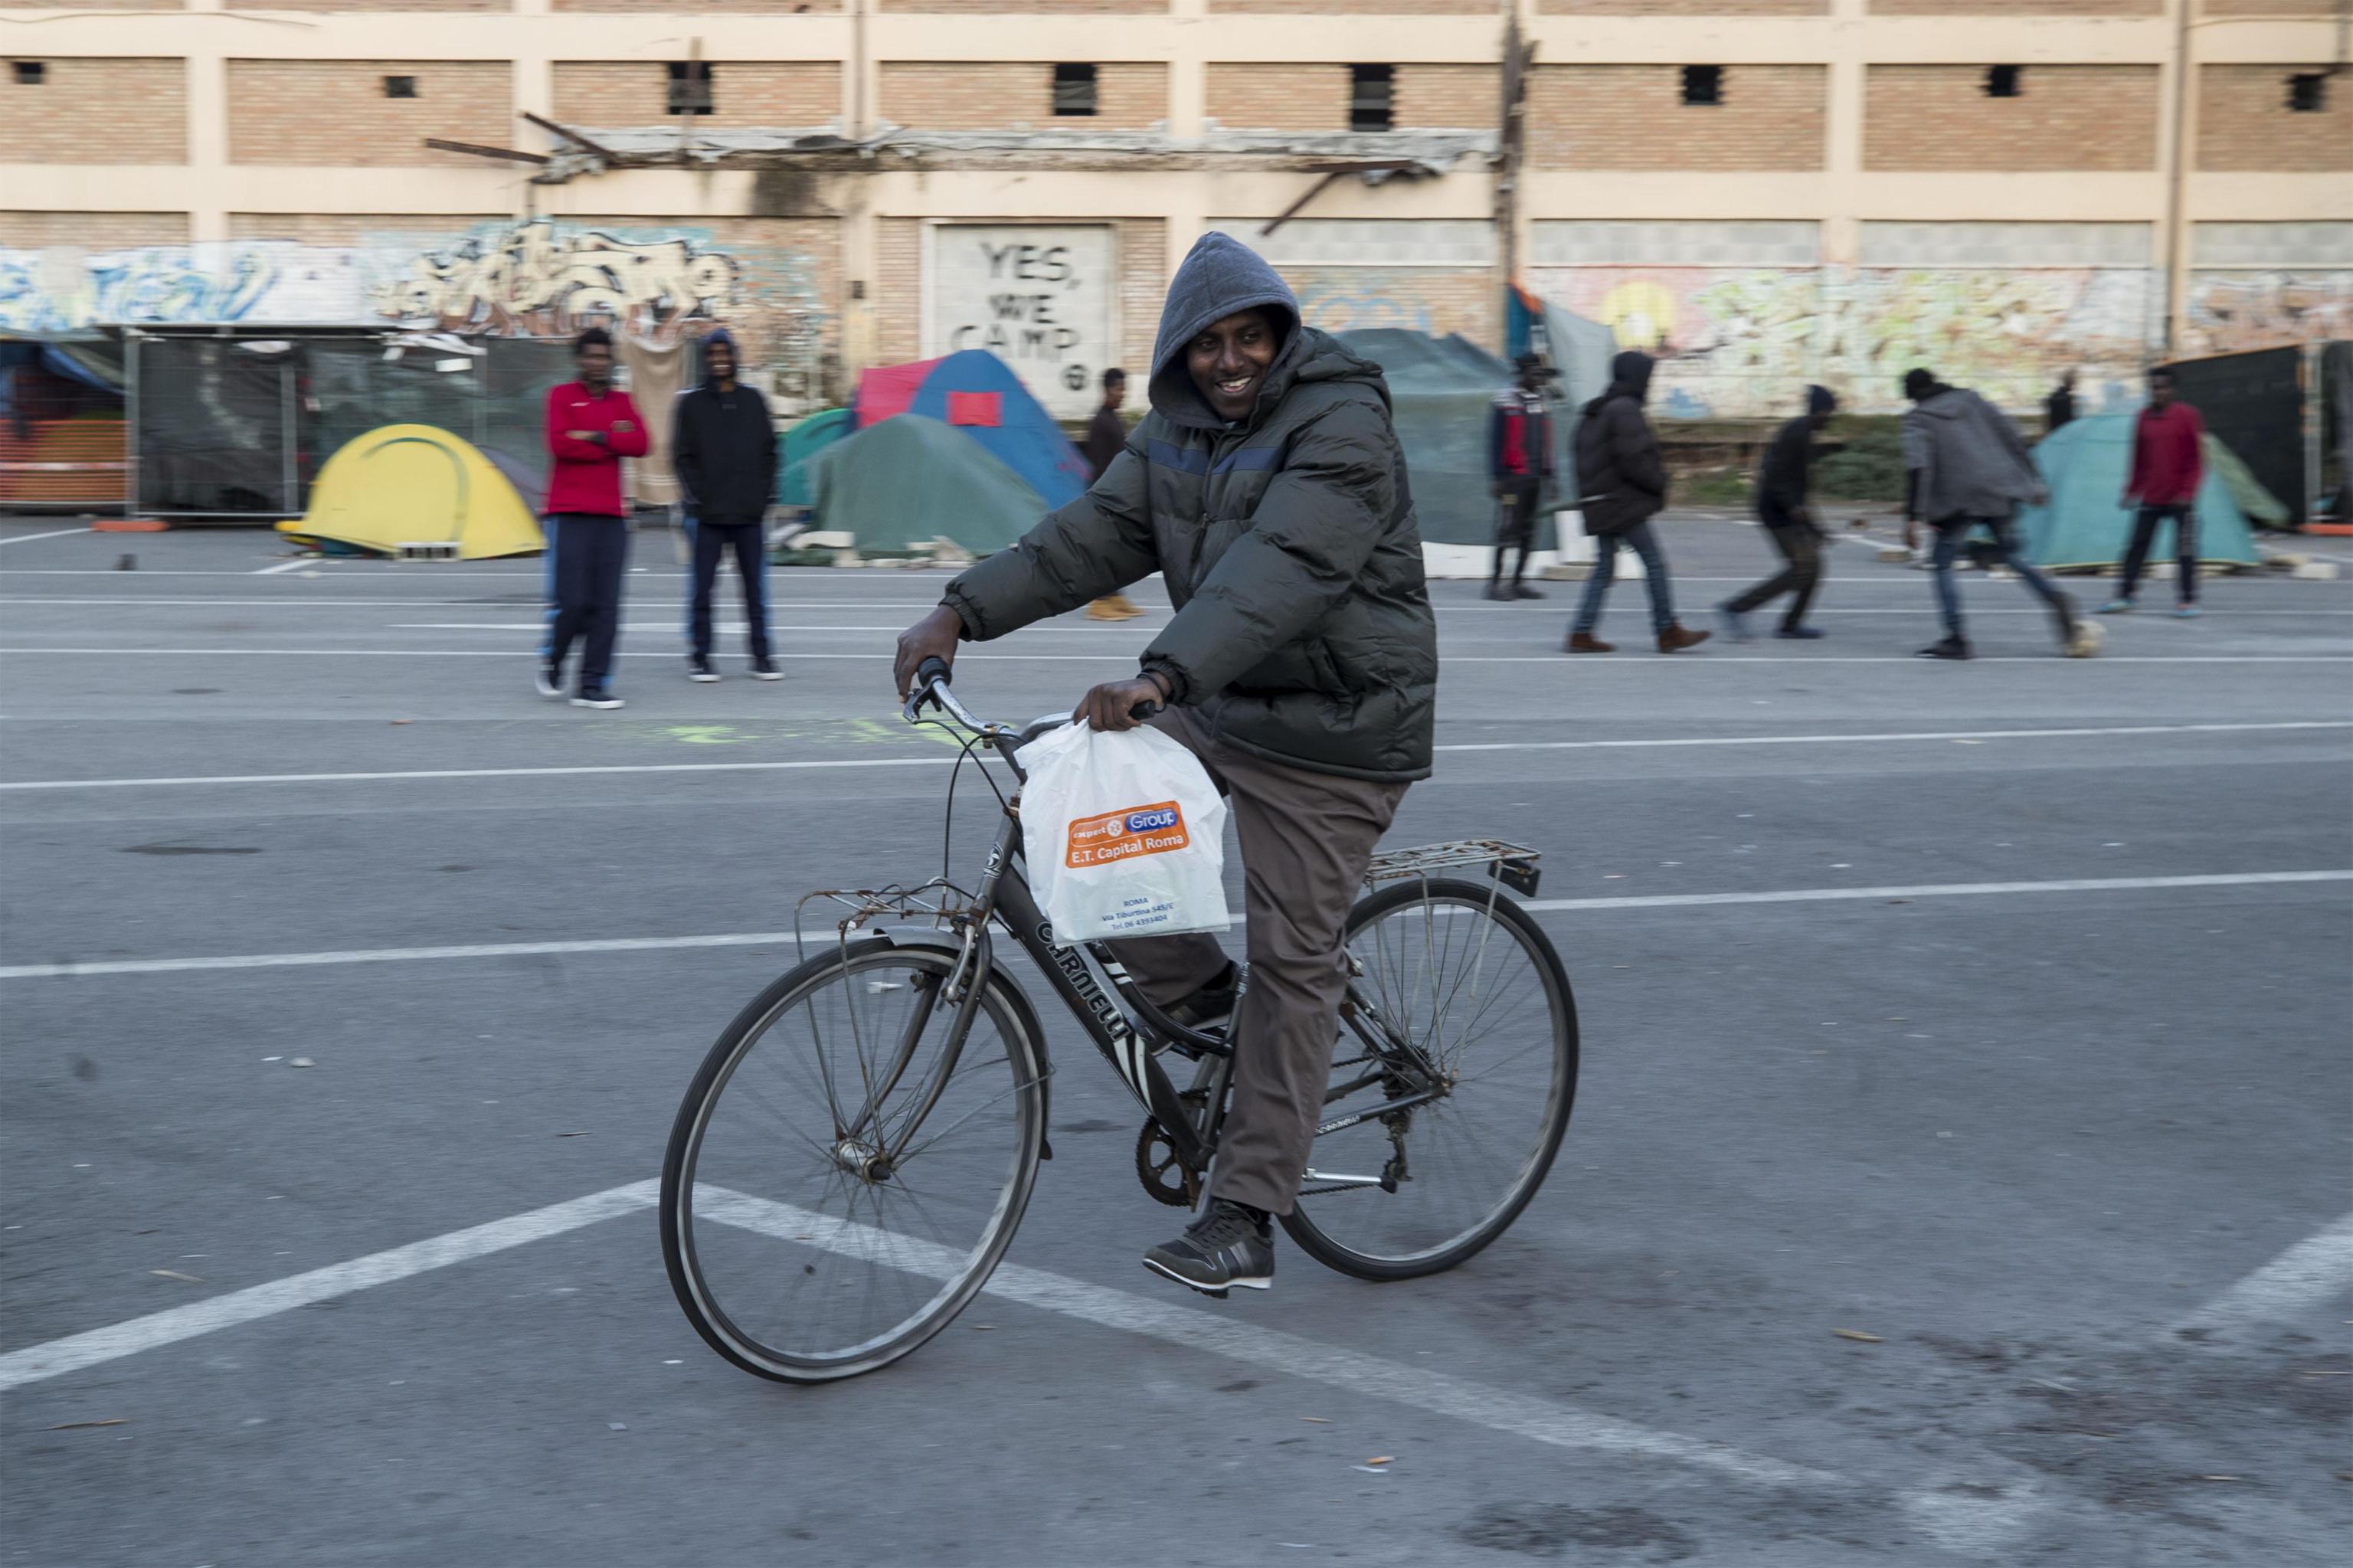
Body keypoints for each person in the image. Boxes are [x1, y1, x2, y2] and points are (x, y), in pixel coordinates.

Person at [892, 232, 1436, 1298]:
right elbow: (1089, 536)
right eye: (1207, 345)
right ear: (1178, 354)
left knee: (1294, 958)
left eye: (1249, 339)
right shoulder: (1177, 434)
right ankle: (1217, 1010)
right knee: (1083, 823)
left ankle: (1246, 1211)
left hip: (1340, 728)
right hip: (1226, 699)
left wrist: (1164, 675)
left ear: (1279, 337)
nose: (1229, 361)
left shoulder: (1343, 422)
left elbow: (1281, 572)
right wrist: (959, 611)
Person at [1900, 368, 2092, 661]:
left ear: (1911, 395)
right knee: (2011, 555)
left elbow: (1918, 467)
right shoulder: (1973, 400)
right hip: (1998, 488)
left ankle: (1956, 638)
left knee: (1942, 564)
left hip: (1958, 498)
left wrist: (1913, 516)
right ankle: (2054, 596)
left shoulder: (1917, 419)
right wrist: (2033, 479)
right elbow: (2011, 434)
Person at [1565, 351, 1710, 654]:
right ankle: (1666, 629)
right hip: (1620, 503)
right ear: (1637, 377)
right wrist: (1659, 484)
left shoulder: (1596, 410)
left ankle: (1581, 631)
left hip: (1598, 501)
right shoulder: (1625, 409)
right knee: (1654, 563)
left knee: (1605, 568)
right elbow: (1635, 458)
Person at [541, 326, 649, 709]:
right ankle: (552, 658)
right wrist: (610, 440)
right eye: (590, 356)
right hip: (569, 513)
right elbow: (560, 444)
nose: (597, 363)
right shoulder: (561, 396)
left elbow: (641, 443)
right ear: (579, 359)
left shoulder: (622, 401)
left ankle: (592, 685)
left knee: (607, 605)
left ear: (610, 361)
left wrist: (597, 437)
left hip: (612, 516)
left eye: (603, 357)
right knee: (573, 602)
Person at [673, 326, 782, 682]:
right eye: (713, 356)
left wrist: (763, 495)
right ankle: (700, 657)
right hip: (708, 516)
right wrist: (698, 495)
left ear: (735, 356)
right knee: (702, 590)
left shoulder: (754, 400)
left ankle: (762, 657)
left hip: (749, 515)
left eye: (725, 354)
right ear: (706, 360)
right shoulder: (691, 403)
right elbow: (682, 455)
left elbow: (770, 452)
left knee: (756, 592)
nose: (720, 361)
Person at [1718, 385, 1838, 641]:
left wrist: (1816, 528)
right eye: (1829, 413)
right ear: (1821, 411)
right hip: (1775, 511)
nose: (1830, 419)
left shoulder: (1805, 433)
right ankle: (1736, 608)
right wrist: (1792, 508)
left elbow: (1801, 489)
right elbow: (1775, 473)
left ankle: (1791, 625)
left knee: (1814, 567)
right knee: (1802, 568)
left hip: (1786, 510)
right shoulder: (1797, 433)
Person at [2103, 366, 2207, 619]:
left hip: (2181, 499)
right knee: (2137, 547)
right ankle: (2125, 596)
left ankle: (2187, 601)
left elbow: (2198, 460)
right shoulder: (2142, 418)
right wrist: (2131, 490)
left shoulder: (2187, 416)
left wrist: (2187, 492)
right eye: (2153, 388)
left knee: (2184, 550)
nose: (2157, 392)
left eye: (2162, 387)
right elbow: (2138, 459)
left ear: (2172, 390)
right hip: (2152, 496)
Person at [1486, 352, 1556, 601]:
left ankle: (1517, 582)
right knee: (1507, 529)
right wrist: (1497, 477)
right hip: (1512, 479)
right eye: (1535, 373)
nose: (1539, 378)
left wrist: (1552, 476)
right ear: (1523, 373)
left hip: (1535, 478)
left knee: (1529, 531)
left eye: (1541, 374)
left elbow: (1547, 442)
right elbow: (1495, 441)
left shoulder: (1542, 400)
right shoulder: (1505, 400)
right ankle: (1494, 584)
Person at [1081, 368, 1144, 624]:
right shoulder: (1100, 421)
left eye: (1124, 389)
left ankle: (1114, 597)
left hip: (1117, 494)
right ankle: (1098, 602)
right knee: (1105, 551)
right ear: (1107, 390)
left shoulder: (1113, 418)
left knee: (1118, 550)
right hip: (1105, 496)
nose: (1123, 394)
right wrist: (1105, 499)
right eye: (1119, 389)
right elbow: (1099, 465)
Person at [2045, 370, 2076, 437]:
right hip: (2064, 431)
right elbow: (2069, 417)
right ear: (2070, 383)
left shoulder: (2053, 395)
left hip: (2055, 430)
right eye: (2073, 383)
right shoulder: (2067, 398)